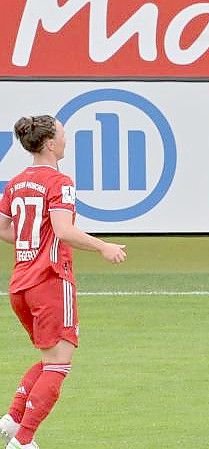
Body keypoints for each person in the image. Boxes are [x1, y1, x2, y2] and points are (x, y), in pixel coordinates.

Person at [0, 115, 127, 449]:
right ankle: (24, 440)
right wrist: (104, 247)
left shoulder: (15, 182)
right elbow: (63, 230)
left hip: (20, 284)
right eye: (63, 134)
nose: (67, 140)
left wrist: (31, 242)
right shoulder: (60, 182)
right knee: (59, 364)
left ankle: (12, 420)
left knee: (48, 358)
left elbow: (2, 227)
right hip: (50, 281)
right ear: (50, 143)